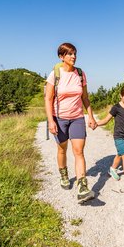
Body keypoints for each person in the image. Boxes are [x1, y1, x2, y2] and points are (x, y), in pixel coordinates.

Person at [45, 42, 97, 204]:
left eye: (74, 53)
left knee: (78, 151)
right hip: (59, 118)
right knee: (62, 150)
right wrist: (50, 121)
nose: (73, 56)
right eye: (69, 54)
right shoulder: (55, 74)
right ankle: (64, 174)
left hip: (77, 118)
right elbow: (48, 99)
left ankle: (82, 187)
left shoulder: (80, 74)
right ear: (62, 57)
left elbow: (85, 98)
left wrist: (91, 116)